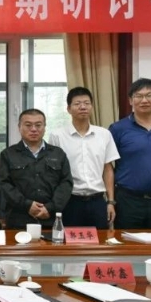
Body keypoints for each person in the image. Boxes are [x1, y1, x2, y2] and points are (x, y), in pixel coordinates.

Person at [48, 87, 119, 229]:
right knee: (70, 240)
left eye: (87, 103)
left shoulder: (104, 134)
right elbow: (52, 173)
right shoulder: (57, 135)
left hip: (97, 200)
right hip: (69, 201)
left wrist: (110, 202)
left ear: (92, 107)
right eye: (77, 103)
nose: (83, 107)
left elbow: (108, 169)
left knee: (100, 239)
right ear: (68, 109)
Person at [109, 78, 151, 229]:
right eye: (138, 96)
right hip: (128, 200)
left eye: (149, 95)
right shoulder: (118, 129)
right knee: (127, 242)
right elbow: (107, 163)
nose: (144, 100)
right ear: (131, 100)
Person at [0, 109, 73, 229]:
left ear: (44, 127)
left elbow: (66, 183)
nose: (33, 129)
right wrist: (27, 205)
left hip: (51, 218)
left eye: (38, 125)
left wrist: (50, 207)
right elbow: (4, 184)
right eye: (28, 125)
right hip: (19, 218)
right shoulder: (8, 154)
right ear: (19, 127)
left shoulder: (58, 153)